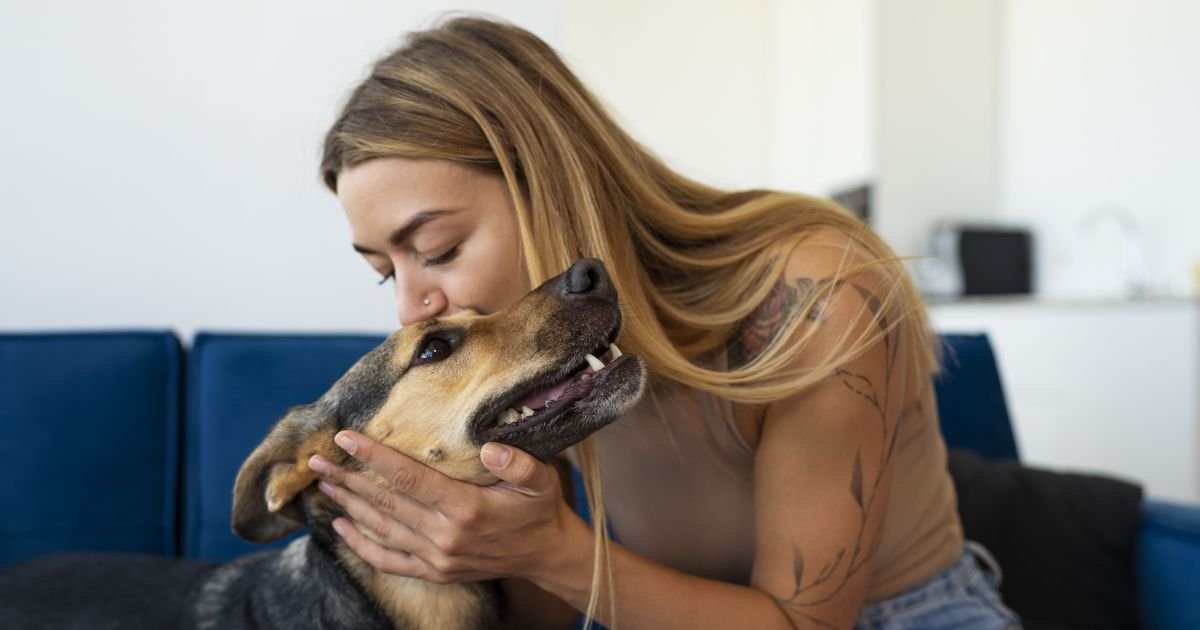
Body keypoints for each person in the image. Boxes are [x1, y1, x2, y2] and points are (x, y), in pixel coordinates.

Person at [305, 15, 1020, 629]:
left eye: (438, 250)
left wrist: (545, 548)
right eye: (385, 272)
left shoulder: (813, 291)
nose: (411, 306)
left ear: (552, 183)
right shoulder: (544, 360)